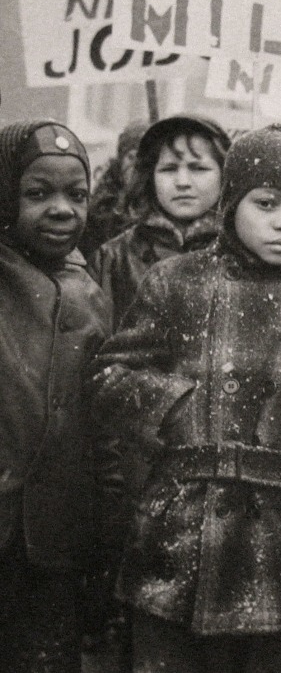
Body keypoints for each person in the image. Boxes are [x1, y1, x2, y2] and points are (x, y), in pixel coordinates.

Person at [91, 124, 281, 673]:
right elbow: (110, 376)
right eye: (265, 204)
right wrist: (175, 406)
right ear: (231, 201)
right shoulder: (176, 282)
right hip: (181, 537)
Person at [0, 120, 123, 672]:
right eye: (37, 193)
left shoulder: (91, 294)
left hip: (56, 543)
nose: (62, 209)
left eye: (77, 195)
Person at [89, 114, 230, 327]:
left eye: (198, 168)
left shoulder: (242, 252)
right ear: (150, 176)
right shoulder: (113, 259)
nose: (182, 182)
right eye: (169, 169)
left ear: (224, 174)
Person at [79, 120, 149, 256]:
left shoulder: (158, 205)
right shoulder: (101, 207)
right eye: (131, 157)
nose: (136, 167)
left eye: (143, 159)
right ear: (121, 160)